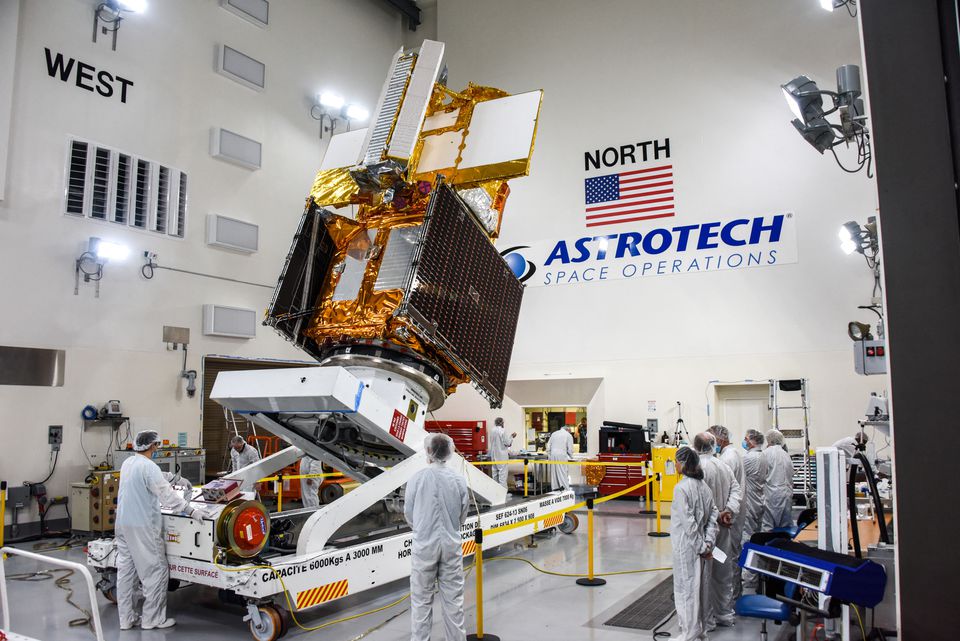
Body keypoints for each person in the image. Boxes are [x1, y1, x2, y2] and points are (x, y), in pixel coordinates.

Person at [115, 430, 205, 631]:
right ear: (153, 446)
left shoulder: (128, 463)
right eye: (157, 446)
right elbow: (166, 496)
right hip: (143, 527)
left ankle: (126, 619)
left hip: (123, 524)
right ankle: (152, 619)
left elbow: (149, 477)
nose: (157, 449)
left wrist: (173, 478)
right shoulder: (148, 466)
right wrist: (190, 510)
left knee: (126, 574)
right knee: (155, 571)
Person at [405, 434, 470, 641]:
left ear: (428, 451)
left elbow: (409, 513)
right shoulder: (459, 480)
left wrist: (424, 529)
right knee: (454, 601)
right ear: (449, 452)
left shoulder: (417, 478)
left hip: (424, 546)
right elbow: (463, 514)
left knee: (421, 602)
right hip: (451, 545)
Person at [694, 432, 741, 629]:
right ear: (714, 445)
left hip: (706, 531)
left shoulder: (697, 468)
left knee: (704, 575)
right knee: (723, 573)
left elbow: (697, 501)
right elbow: (736, 491)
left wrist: (715, 515)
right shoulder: (723, 465)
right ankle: (725, 614)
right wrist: (727, 512)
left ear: (696, 447)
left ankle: (707, 620)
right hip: (723, 528)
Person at [671, 446, 720, 641]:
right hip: (702, 547)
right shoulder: (703, 486)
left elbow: (688, 523)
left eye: (676, 461)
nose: (674, 465)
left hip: (687, 547)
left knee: (686, 589)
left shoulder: (681, 489)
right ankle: (700, 630)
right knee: (701, 588)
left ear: (682, 464)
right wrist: (707, 544)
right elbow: (713, 515)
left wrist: (700, 547)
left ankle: (689, 632)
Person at [709, 424, 745, 602]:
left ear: (720, 439)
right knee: (732, 555)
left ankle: (729, 599)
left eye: (712, 438)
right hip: (732, 513)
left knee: (726, 559)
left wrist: (724, 512)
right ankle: (734, 595)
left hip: (728, 516)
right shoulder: (733, 453)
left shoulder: (726, 459)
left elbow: (724, 490)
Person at [762, 429, 793, 530]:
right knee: (785, 527)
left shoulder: (766, 453)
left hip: (771, 494)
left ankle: (768, 545)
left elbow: (761, 474)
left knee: (768, 526)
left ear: (769, 440)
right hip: (787, 493)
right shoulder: (786, 455)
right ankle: (783, 544)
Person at [488, 417, 516, 487]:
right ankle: (503, 495)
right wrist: (512, 436)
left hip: (493, 456)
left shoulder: (492, 430)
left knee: (495, 475)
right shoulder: (503, 431)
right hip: (501, 456)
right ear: (502, 423)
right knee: (502, 476)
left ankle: (495, 493)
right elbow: (508, 443)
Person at [546, 425, 574, 490]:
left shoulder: (554, 433)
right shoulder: (568, 435)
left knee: (554, 473)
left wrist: (550, 455)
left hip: (553, 455)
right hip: (562, 455)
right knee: (563, 473)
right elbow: (570, 449)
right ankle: (565, 490)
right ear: (568, 430)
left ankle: (555, 489)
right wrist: (571, 456)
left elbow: (548, 446)